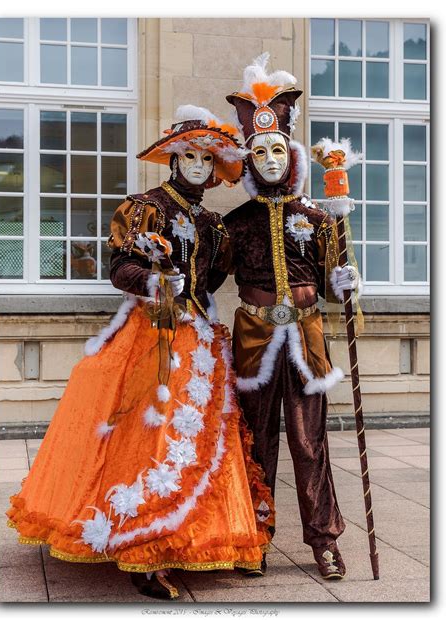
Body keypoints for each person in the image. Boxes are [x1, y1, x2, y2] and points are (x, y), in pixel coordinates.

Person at [6, 105, 274, 600]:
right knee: (147, 431)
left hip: (197, 330)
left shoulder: (212, 222)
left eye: (206, 159)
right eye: (188, 156)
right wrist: (155, 280)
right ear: (173, 160)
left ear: (214, 169)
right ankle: (143, 545)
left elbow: (213, 277)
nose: (197, 165)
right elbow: (120, 268)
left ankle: (208, 535)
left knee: (202, 431)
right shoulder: (147, 206)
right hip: (151, 332)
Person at [216, 53, 361, 579]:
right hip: (254, 337)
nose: (271, 159)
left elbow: (330, 281)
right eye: (260, 152)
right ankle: (252, 537)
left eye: (278, 149)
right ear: (249, 161)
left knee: (307, 441)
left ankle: (324, 540)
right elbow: (207, 281)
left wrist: (345, 282)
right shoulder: (232, 223)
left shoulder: (319, 217)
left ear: (292, 154)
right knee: (255, 439)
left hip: (305, 335)